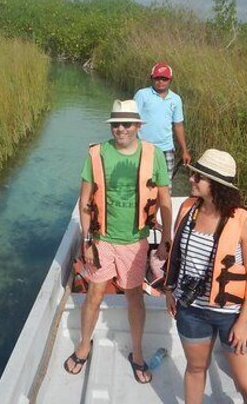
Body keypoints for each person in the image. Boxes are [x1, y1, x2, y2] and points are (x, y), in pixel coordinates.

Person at [62, 99, 173, 384]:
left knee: (135, 297)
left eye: (126, 124)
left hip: (136, 242)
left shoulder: (154, 155)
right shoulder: (97, 154)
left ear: (138, 126)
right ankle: (84, 345)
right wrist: (87, 240)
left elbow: (163, 200)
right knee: (94, 293)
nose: (120, 129)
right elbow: (85, 199)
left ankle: (137, 353)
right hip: (102, 239)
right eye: (115, 124)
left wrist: (166, 238)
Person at [163, 149, 247, 404]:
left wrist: (243, 322)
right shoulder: (188, 210)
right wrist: (169, 290)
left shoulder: (244, 224)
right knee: (196, 369)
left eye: (198, 177)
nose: (191, 179)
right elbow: (177, 255)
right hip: (191, 310)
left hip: (232, 315)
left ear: (216, 186)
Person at [134, 62, 192, 176]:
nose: (160, 82)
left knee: (166, 185)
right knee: (142, 183)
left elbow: (178, 125)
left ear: (171, 80)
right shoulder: (142, 95)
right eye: (157, 78)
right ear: (151, 78)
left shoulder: (175, 99)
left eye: (164, 79)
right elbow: (133, 121)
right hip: (144, 147)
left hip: (167, 148)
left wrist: (184, 150)